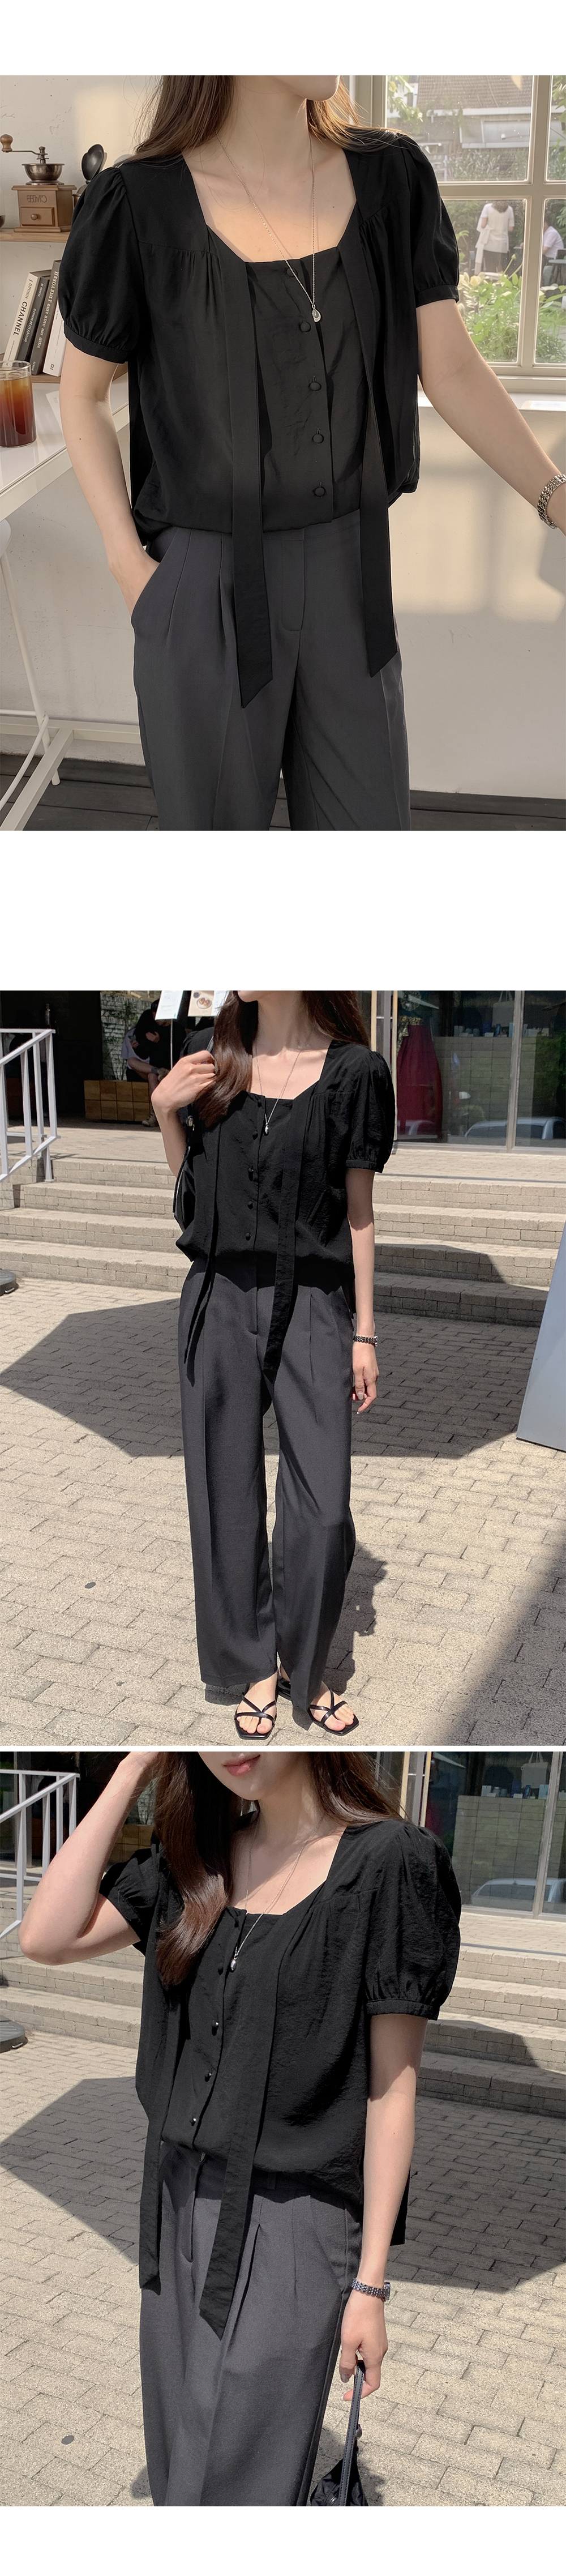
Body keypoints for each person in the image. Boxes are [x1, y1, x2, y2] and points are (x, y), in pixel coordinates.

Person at [58, 77, 565, 832]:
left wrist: (557, 497)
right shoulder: (137, 204)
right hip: (204, 586)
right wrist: (131, 570)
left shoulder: (391, 179)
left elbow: (452, 368)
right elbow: (83, 393)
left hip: (350, 576)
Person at [18, 1745, 462, 2507]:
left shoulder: (389, 1861)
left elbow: (393, 2092)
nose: (229, 1744)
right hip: (174, 2200)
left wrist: (371, 2286)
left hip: (295, 2217)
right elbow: (45, 1937)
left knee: (240, 2476)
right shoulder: (195, 1861)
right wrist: (131, 1771)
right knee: (178, 2449)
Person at [152, 990, 395, 1737]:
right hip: (218, 1294)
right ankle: (253, 1664)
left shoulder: (355, 1072)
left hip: (315, 1301)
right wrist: (166, 1114)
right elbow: (192, 1199)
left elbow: (359, 1211)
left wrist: (365, 1331)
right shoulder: (208, 1054)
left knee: (323, 1510)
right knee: (223, 1492)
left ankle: (303, 1662)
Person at [474, 201, 514, 274]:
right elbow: (510, 228)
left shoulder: (487, 207)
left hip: (489, 243)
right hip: (502, 245)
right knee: (501, 270)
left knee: (490, 269)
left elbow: (483, 225)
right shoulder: (509, 209)